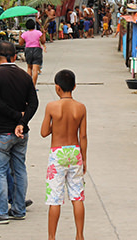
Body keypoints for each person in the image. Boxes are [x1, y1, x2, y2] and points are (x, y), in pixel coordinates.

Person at [0, 41, 39, 225]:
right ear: (14, 56)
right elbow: (34, 103)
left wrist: (16, 118)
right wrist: (22, 121)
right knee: (19, 170)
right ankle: (19, 209)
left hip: (0, 132)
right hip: (21, 134)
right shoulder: (25, 76)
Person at [40, 69, 87, 240]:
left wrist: (56, 125)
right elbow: (83, 136)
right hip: (75, 152)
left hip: (57, 154)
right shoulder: (81, 108)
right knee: (77, 196)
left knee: (54, 199)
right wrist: (84, 159)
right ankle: (80, 235)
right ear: (74, 86)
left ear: (57, 88)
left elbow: (44, 132)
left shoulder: (52, 107)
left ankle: (52, 237)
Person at [19, 19, 46, 86]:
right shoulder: (38, 33)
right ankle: (33, 86)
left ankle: (29, 86)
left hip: (28, 50)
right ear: (34, 25)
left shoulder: (24, 34)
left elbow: (21, 43)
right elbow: (43, 42)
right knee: (35, 70)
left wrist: (20, 36)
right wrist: (44, 33)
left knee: (29, 68)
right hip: (37, 50)